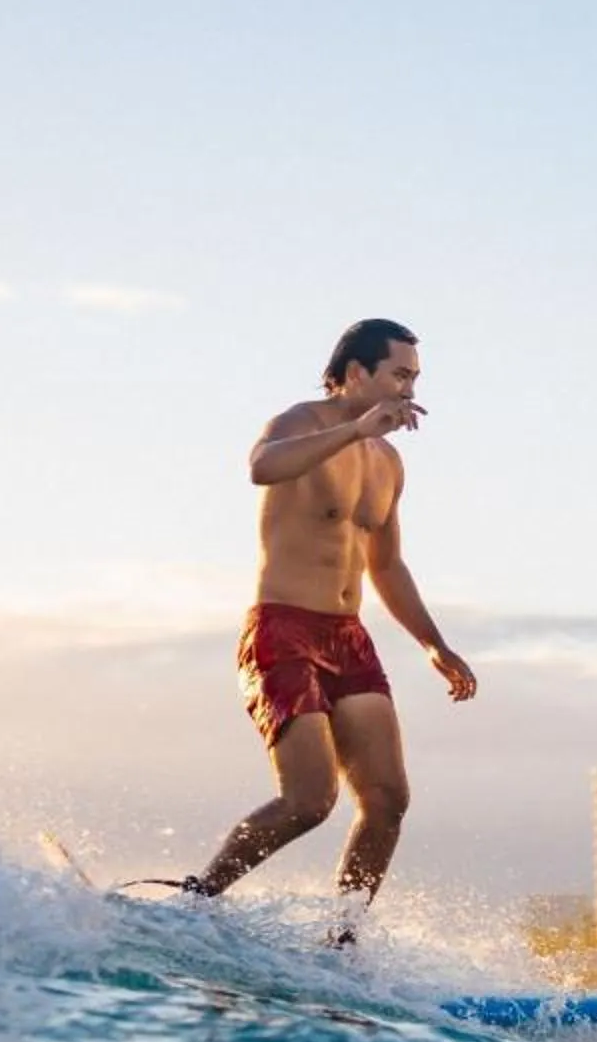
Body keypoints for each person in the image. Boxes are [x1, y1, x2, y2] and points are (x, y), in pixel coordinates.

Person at [178, 318, 478, 920]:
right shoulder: (299, 424)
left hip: (348, 639)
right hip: (282, 629)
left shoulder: (388, 462)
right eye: (399, 375)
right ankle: (194, 904)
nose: (409, 390)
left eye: (414, 378)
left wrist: (434, 645)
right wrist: (352, 431)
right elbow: (261, 467)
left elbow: (387, 567)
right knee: (310, 800)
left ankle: (341, 943)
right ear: (355, 373)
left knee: (388, 799)